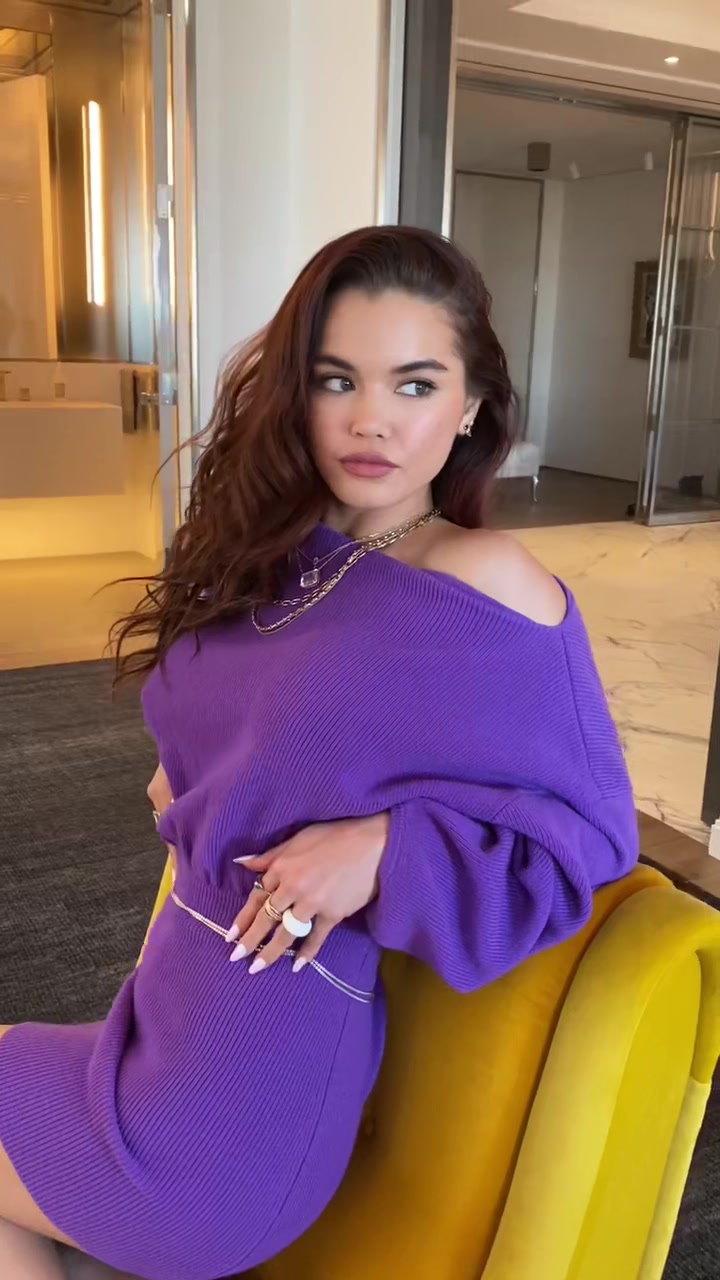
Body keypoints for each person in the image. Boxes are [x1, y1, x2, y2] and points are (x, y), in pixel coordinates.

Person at [0, 226, 638, 1280]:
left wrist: (386, 849)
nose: (371, 418)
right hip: (168, 1013)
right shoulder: (279, 554)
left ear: (471, 407)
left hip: (254, 1077)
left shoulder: (484, 580)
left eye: (415, 384)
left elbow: (589, 840)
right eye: (337, 379)